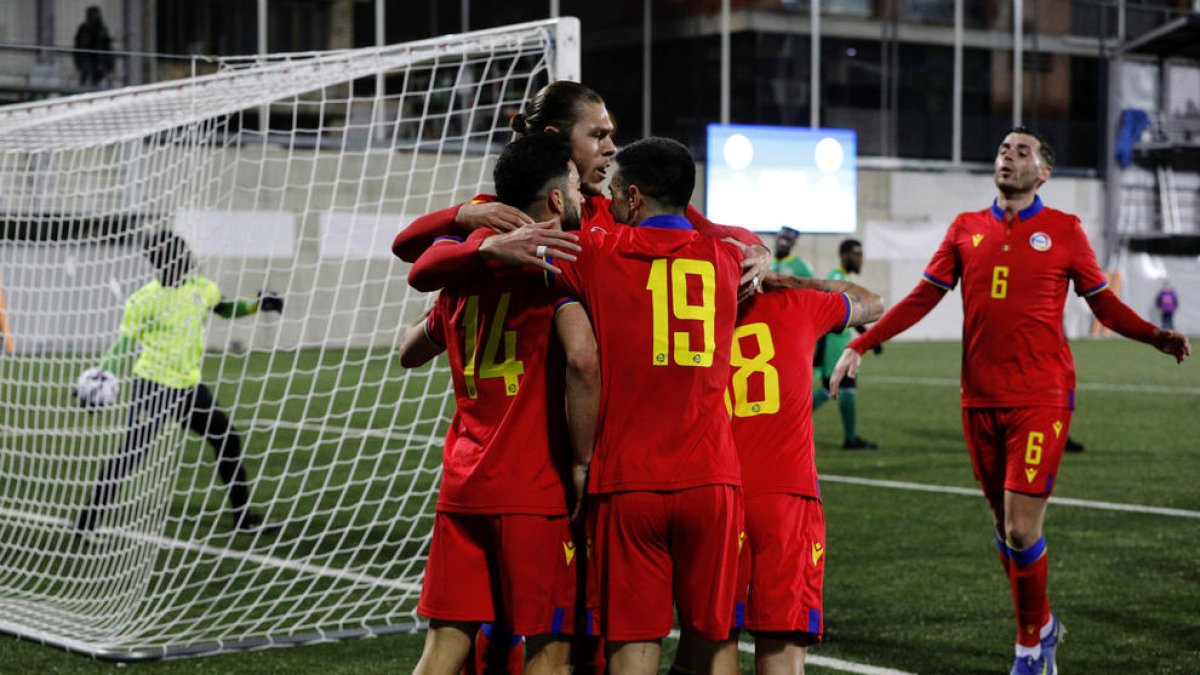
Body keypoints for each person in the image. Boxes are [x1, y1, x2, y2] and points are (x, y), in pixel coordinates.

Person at [829, 127, 1191, 675]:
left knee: (1022, 528)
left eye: (1023, 151)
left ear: (1044, 172)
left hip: (1043, 395)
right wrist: (862, 340)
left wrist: (1154, 336)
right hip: (979, 398)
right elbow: (924, 297)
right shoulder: (965, 228)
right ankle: (1043, 622)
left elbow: (1105, 304)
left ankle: (1030, 649)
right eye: (1003, 148)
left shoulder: (1064, 230)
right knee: (1005, 529)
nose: (1009, 156)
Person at [399, 133, 601, 675]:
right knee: (551, 652)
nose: (585, 195)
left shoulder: (462, 276)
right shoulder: (557, 268)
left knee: (443, 649)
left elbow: (407, 351)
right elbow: (582, 359)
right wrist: (583, 461)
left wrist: (473, 251)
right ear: (556, 201)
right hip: (532, 488)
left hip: (463, 485)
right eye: (577, 188)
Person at [392, 80, 770, 299]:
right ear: (556, 139)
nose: (610, 148)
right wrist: (463, 217)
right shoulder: (505, 215)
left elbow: (715, 231)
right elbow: (408, 252)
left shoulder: (617, 210)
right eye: (598, 136)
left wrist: (757, 249)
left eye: (611, 137)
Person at [715, 270, 883, 675]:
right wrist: (798, 283)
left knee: (715, 644)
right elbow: (873, 303)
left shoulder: (702, 311)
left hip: (716, 492)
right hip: (785, 495)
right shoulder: (798, 304)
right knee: (782, 652)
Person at [75, 231, 283, 534]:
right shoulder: (143, 300)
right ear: (166, 260)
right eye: (181, 252)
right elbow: (124, 344)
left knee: (227, 438)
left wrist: (256, 304)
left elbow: (225, 307)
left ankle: (244, 518)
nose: (188, 257)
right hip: (152, 387)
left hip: (188, 388)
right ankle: (86, 521)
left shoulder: (202, 288)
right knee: (131, 453)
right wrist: (103, 373)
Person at [812, 239, 879, 450]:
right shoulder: (837, 278)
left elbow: (852, 314)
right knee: (843, 387)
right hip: (835, 344)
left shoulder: (842, 278)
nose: (861, 259)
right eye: (857, 254)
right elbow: (839, 314)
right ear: (846, 255)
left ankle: (787, 422)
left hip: (839, 342)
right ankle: (850, 438)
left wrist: (867, 338)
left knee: (830, 389)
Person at [74, 6, 114, 88]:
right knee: (85, 75)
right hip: (87, 57)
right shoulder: (84, 27)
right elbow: (80, 43)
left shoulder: (102, 28)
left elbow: (106, 43)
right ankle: (83, 87)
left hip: (98, 58)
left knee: (98, 77)